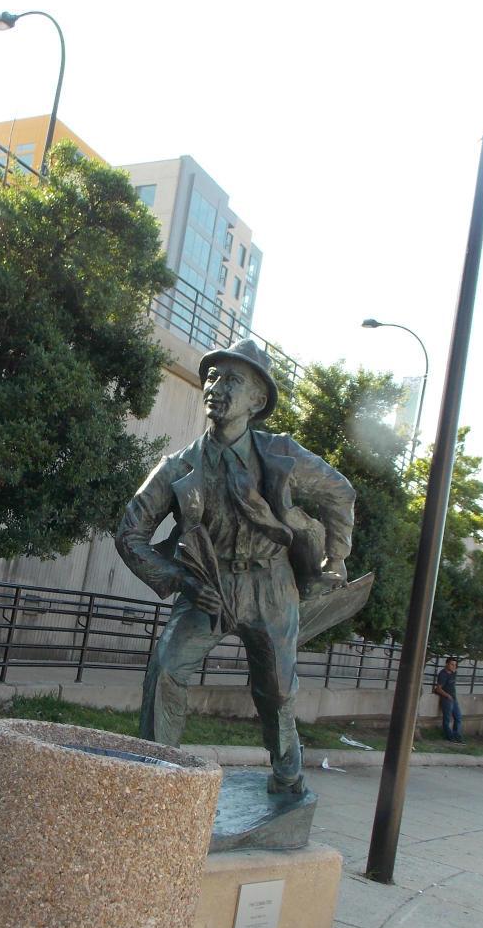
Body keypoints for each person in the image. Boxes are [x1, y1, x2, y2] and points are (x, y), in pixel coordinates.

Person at [116, 338, 355, 796]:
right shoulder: (178, 466)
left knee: (278, 690)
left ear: (257, 399)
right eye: (212, 376)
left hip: (271, 583)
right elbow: (130, 534)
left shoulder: (282, 454)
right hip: (208, 584)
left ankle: (288, 776)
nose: (215, 386)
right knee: (166, 668)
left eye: (232, 379)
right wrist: (180, 579)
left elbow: (339, 493)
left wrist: (335, 560)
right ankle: (153, 778)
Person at [432, 656, 463, 742]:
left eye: (455, 665)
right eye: (452, 664)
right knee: (447, 719)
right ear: (447, 664)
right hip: (447, 699)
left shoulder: (453, 673)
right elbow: (438, 688)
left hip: (454, 698)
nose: (454, 666)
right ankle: (450, 736)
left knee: (458, 717)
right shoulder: (443, 674)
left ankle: (457, 735)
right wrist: (447, 695)